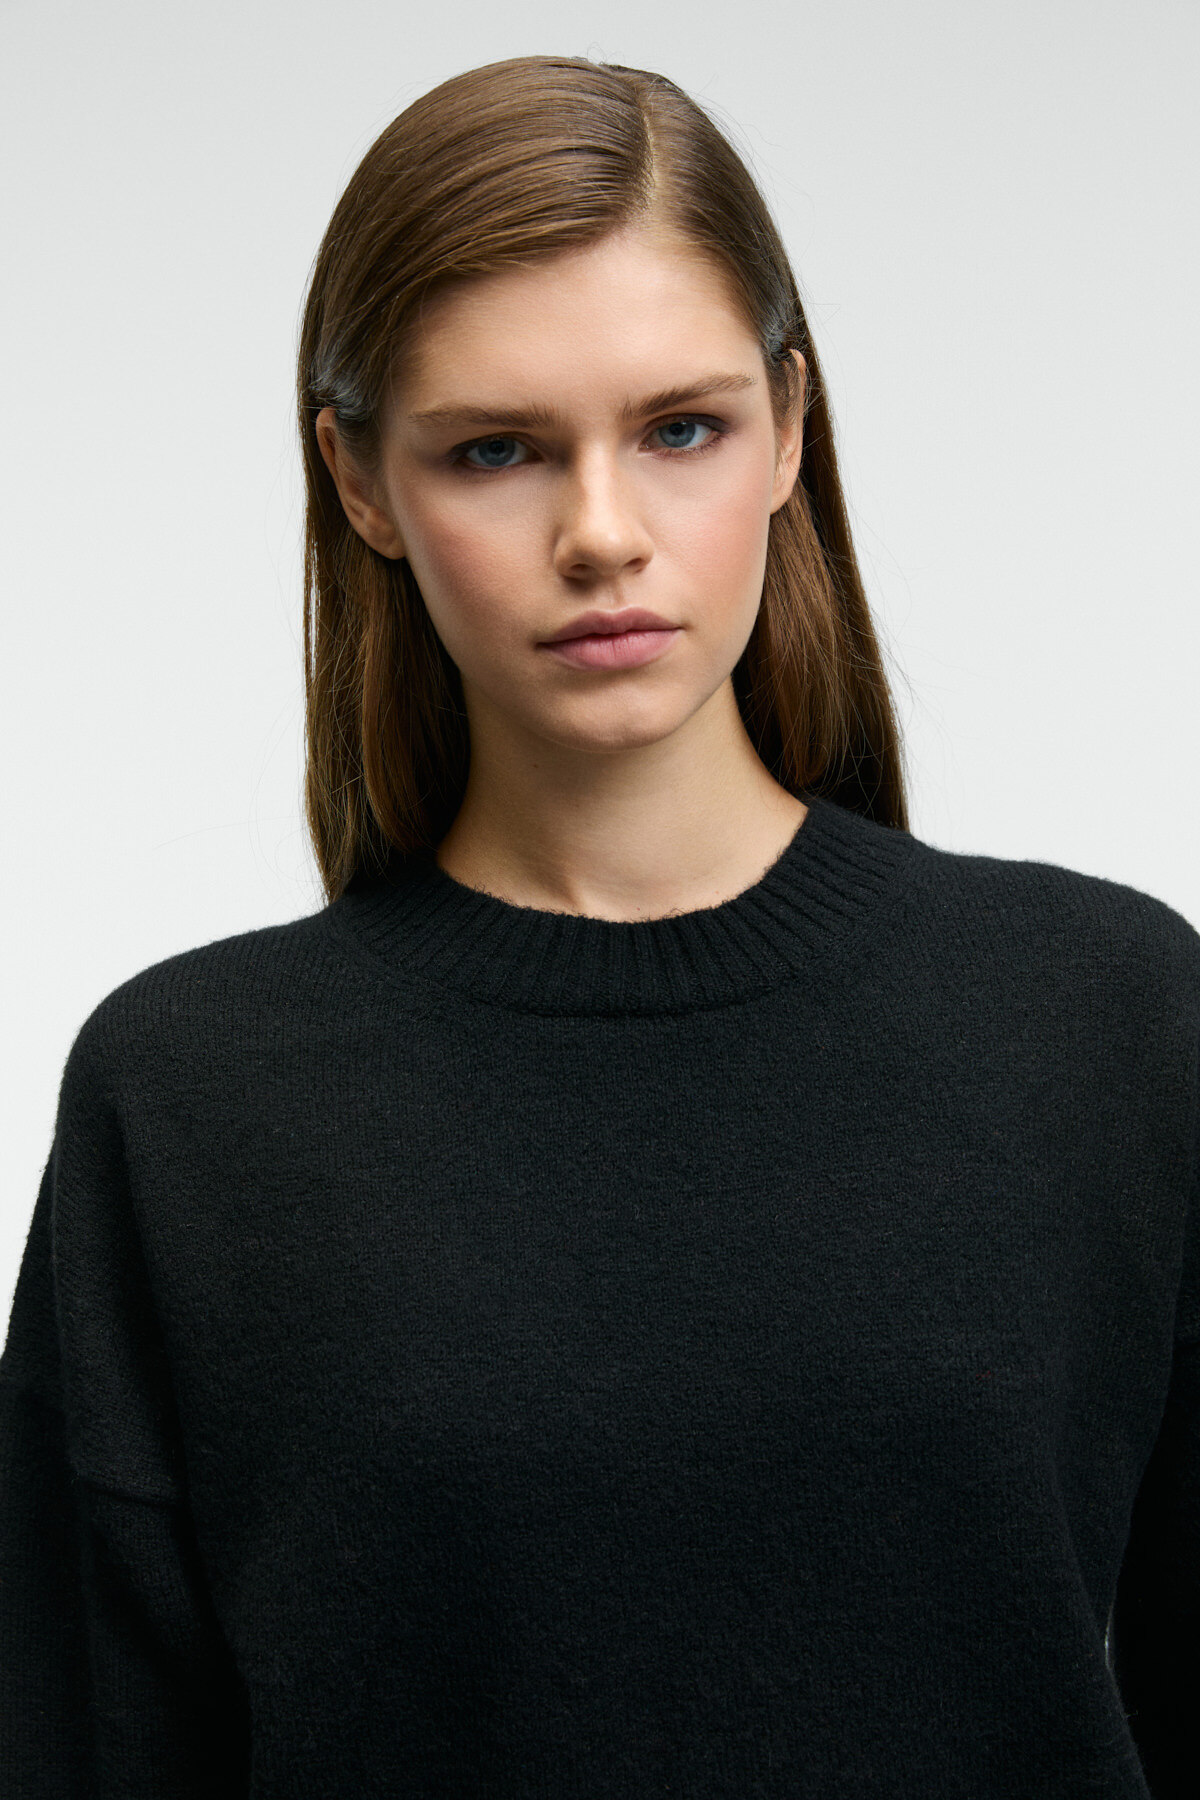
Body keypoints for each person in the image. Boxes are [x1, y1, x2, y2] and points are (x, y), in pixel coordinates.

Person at [1, 51, 1196, 1799]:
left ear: (790, 426)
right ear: (359, 481)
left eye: (680, 429)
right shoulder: (189, 1102)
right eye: (495, 450)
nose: (603, 534)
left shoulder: (1111, 1021)